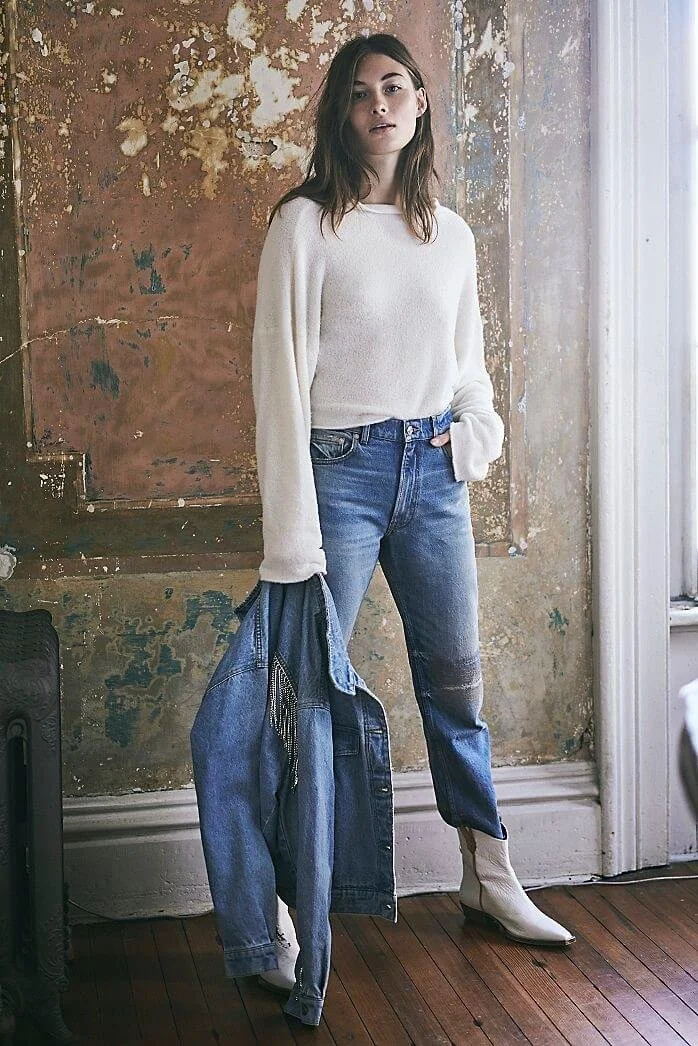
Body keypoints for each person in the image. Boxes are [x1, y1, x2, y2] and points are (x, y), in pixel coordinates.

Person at [251, 32, 574, 992]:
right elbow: (278, 385)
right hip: (338, 475)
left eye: (396, 87)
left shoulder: (453, 234)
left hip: (430, 480)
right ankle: (279, 911)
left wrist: (471, 442)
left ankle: (489, 871)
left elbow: (471, 373)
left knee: (457, 687)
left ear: (422, 102)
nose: (380, 105)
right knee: (302, 698)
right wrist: (290, 534)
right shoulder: (306, 227)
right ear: (341, 115)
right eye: (360, 94)